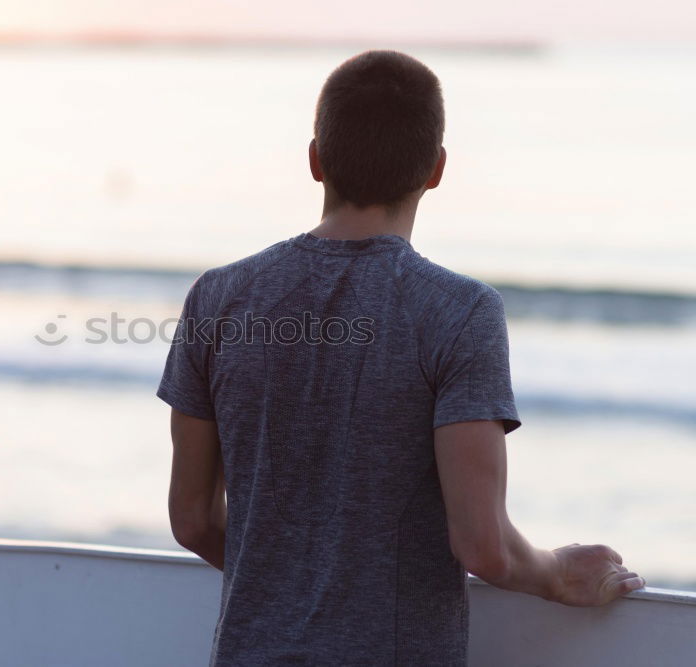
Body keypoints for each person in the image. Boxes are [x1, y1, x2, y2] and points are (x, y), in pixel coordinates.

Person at [157, 49, 644, 666]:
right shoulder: (460, 312)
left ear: (315, 160)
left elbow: (193, 519)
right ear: (437, 169)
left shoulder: (220, 296)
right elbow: (483, 546)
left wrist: (292, 577)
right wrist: (555, 572)